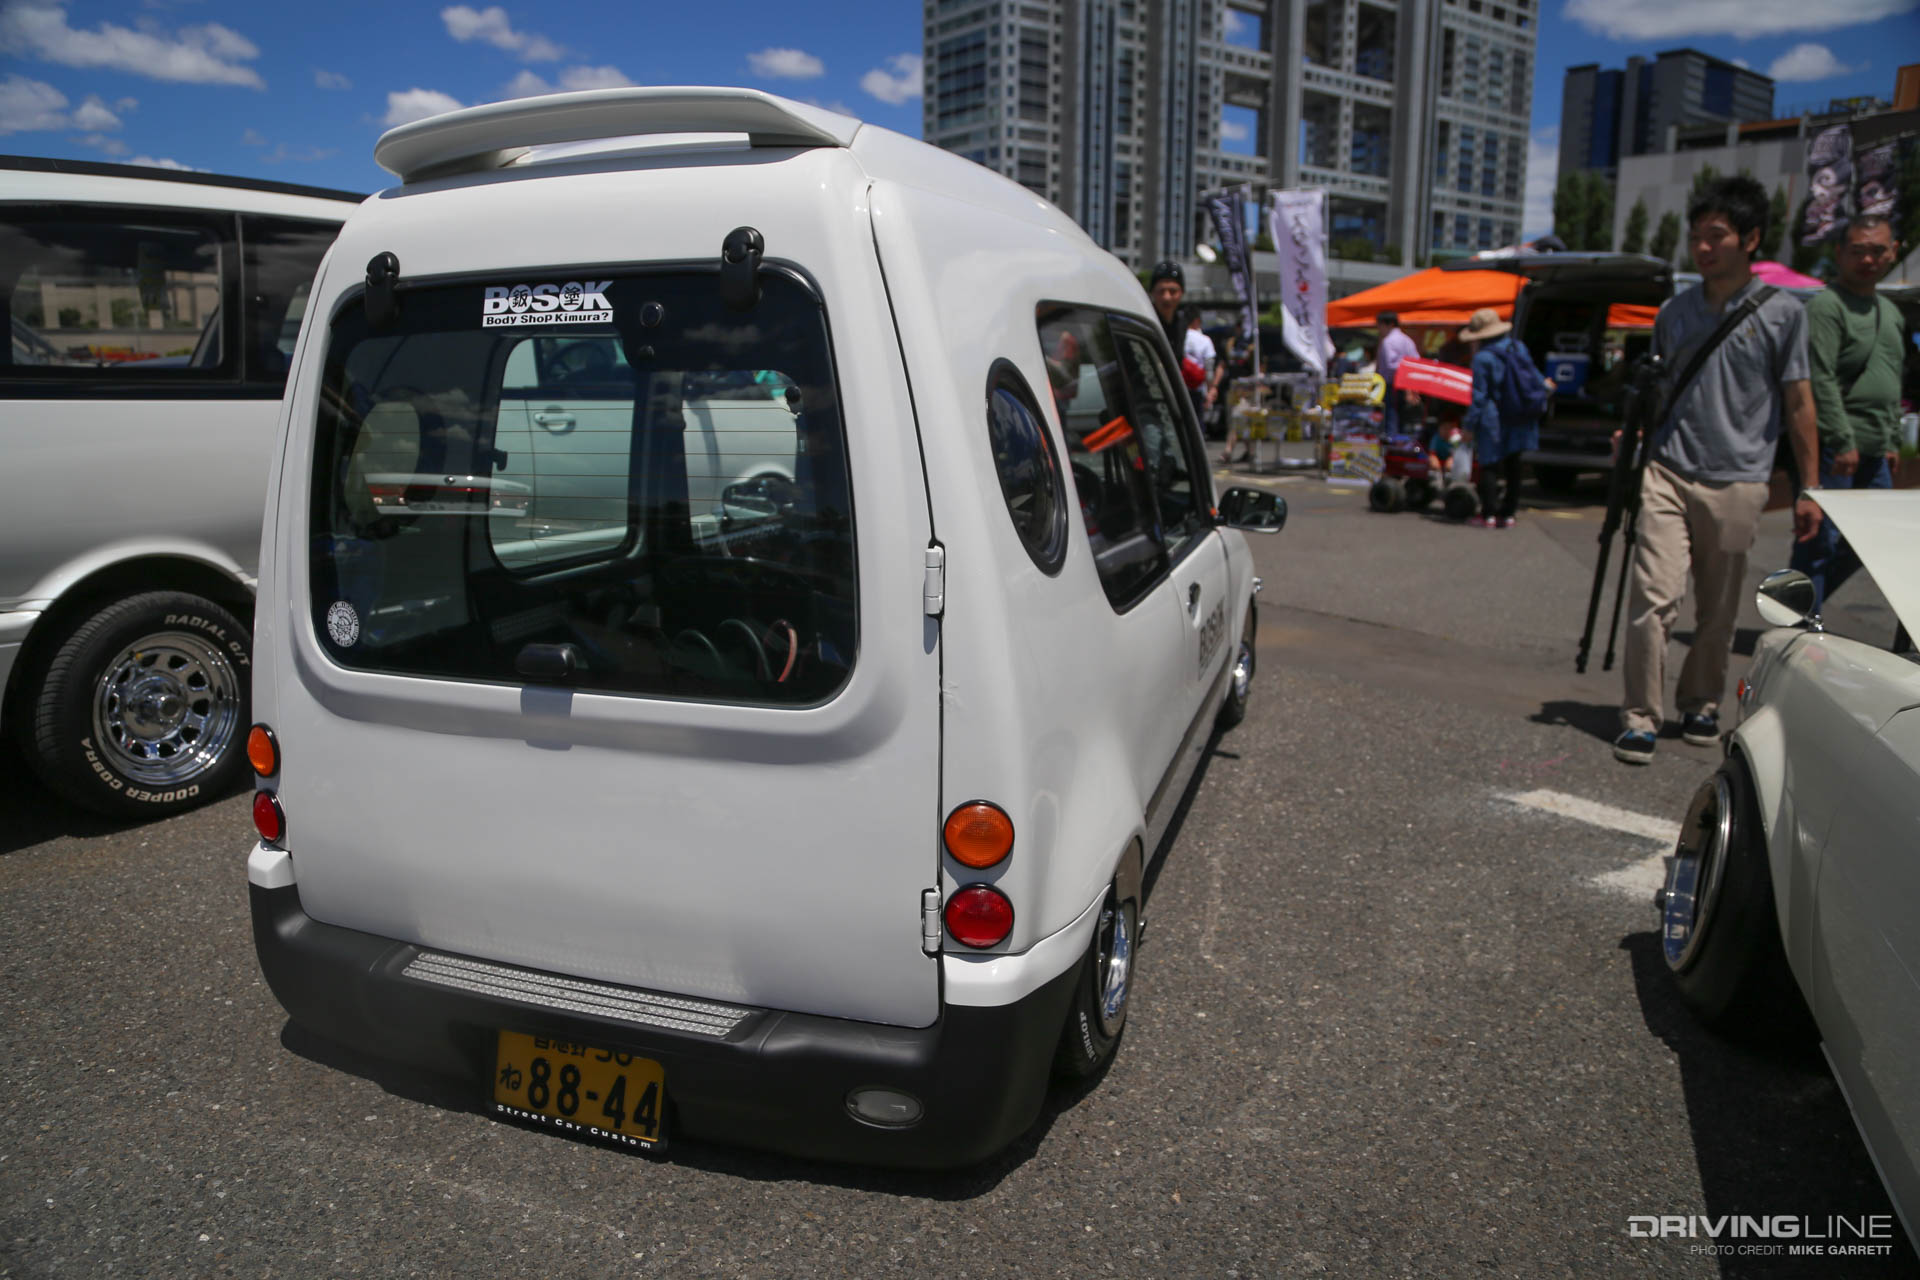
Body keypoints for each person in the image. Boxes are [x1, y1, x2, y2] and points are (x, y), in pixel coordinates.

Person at [1614, 175, 1822, 766]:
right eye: (1697, 237)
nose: (1703, 248)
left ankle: (1700, 700)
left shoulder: (1783, 315)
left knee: (1718, 608)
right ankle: (1639, 715)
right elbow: (1659, 389)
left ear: (1750, 239)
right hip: (1668, 471)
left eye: (1717, 236)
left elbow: (1800, 404)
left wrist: (1809, 488)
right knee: (1654, 598)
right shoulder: (1674, 312)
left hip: (1740, 478)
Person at [1789, 214, 1905, 612]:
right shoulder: (1826, 307)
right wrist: (1841, 439)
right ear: (1839, 254)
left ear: (1894, 252)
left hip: (1875, 451)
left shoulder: (1890, 312)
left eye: (1877, 251)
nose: (1868, 260)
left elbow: (1892, 380)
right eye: (1858, 251)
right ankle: (1797, 624)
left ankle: (1799, 610)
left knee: (1873, 543)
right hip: (1835, 448)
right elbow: (1818, 379)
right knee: (1819, 541)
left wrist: (1890, 440)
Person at [1459, 307, 1544, 530]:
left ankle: (1488, 514)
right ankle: (1508, 514)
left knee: (1490, 464)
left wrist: (1468, 426)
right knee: (1514, 464)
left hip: (1492, 416)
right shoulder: (1519, 347)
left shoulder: (1482, 358)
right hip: (1518, 413)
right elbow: (1536, 378)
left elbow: (1479, 397)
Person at [1376, 311, 1419, 438]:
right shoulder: (1407, 340)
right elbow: (1416, 360)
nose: (1379, 329)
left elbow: (1390, 365)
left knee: (1391, 416)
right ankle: (1402, 442)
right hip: (1406, 385)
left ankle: (1392, 442)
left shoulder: (1388, 341)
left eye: (1380, 325)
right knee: (1402, 417)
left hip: (1391, 384)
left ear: (1389, 324)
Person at [1184, 311, 1218, 429]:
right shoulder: (1204, 340)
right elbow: (1209, 369)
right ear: (1197, 321)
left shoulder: (1177, 337)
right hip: (1197, 388)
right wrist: (1211, 389)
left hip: (1178, 387)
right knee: (1197, 424)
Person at [1148, 260, 1186, 353]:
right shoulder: (1145, 323)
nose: (1166, 297)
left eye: (1172, 291)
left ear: (1182, 293)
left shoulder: (1183, 325)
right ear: (1152, 293)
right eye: (1161, 291)